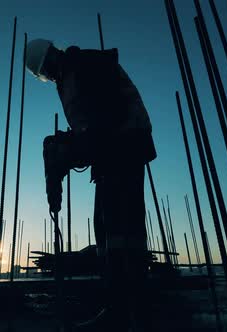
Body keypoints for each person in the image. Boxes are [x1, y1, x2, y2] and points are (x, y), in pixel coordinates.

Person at [26, 39, 157, 331]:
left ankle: (130, 310)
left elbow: (105, 118)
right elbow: (91, 125)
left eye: (44, 71)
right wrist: (73, 145)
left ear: (48, 60)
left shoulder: (84, 67)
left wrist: (74, 147)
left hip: (125, 145)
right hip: (112, 151)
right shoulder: (70, 74)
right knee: (106, 230)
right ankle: (118, 307)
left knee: (122, 230)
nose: (48, 77)